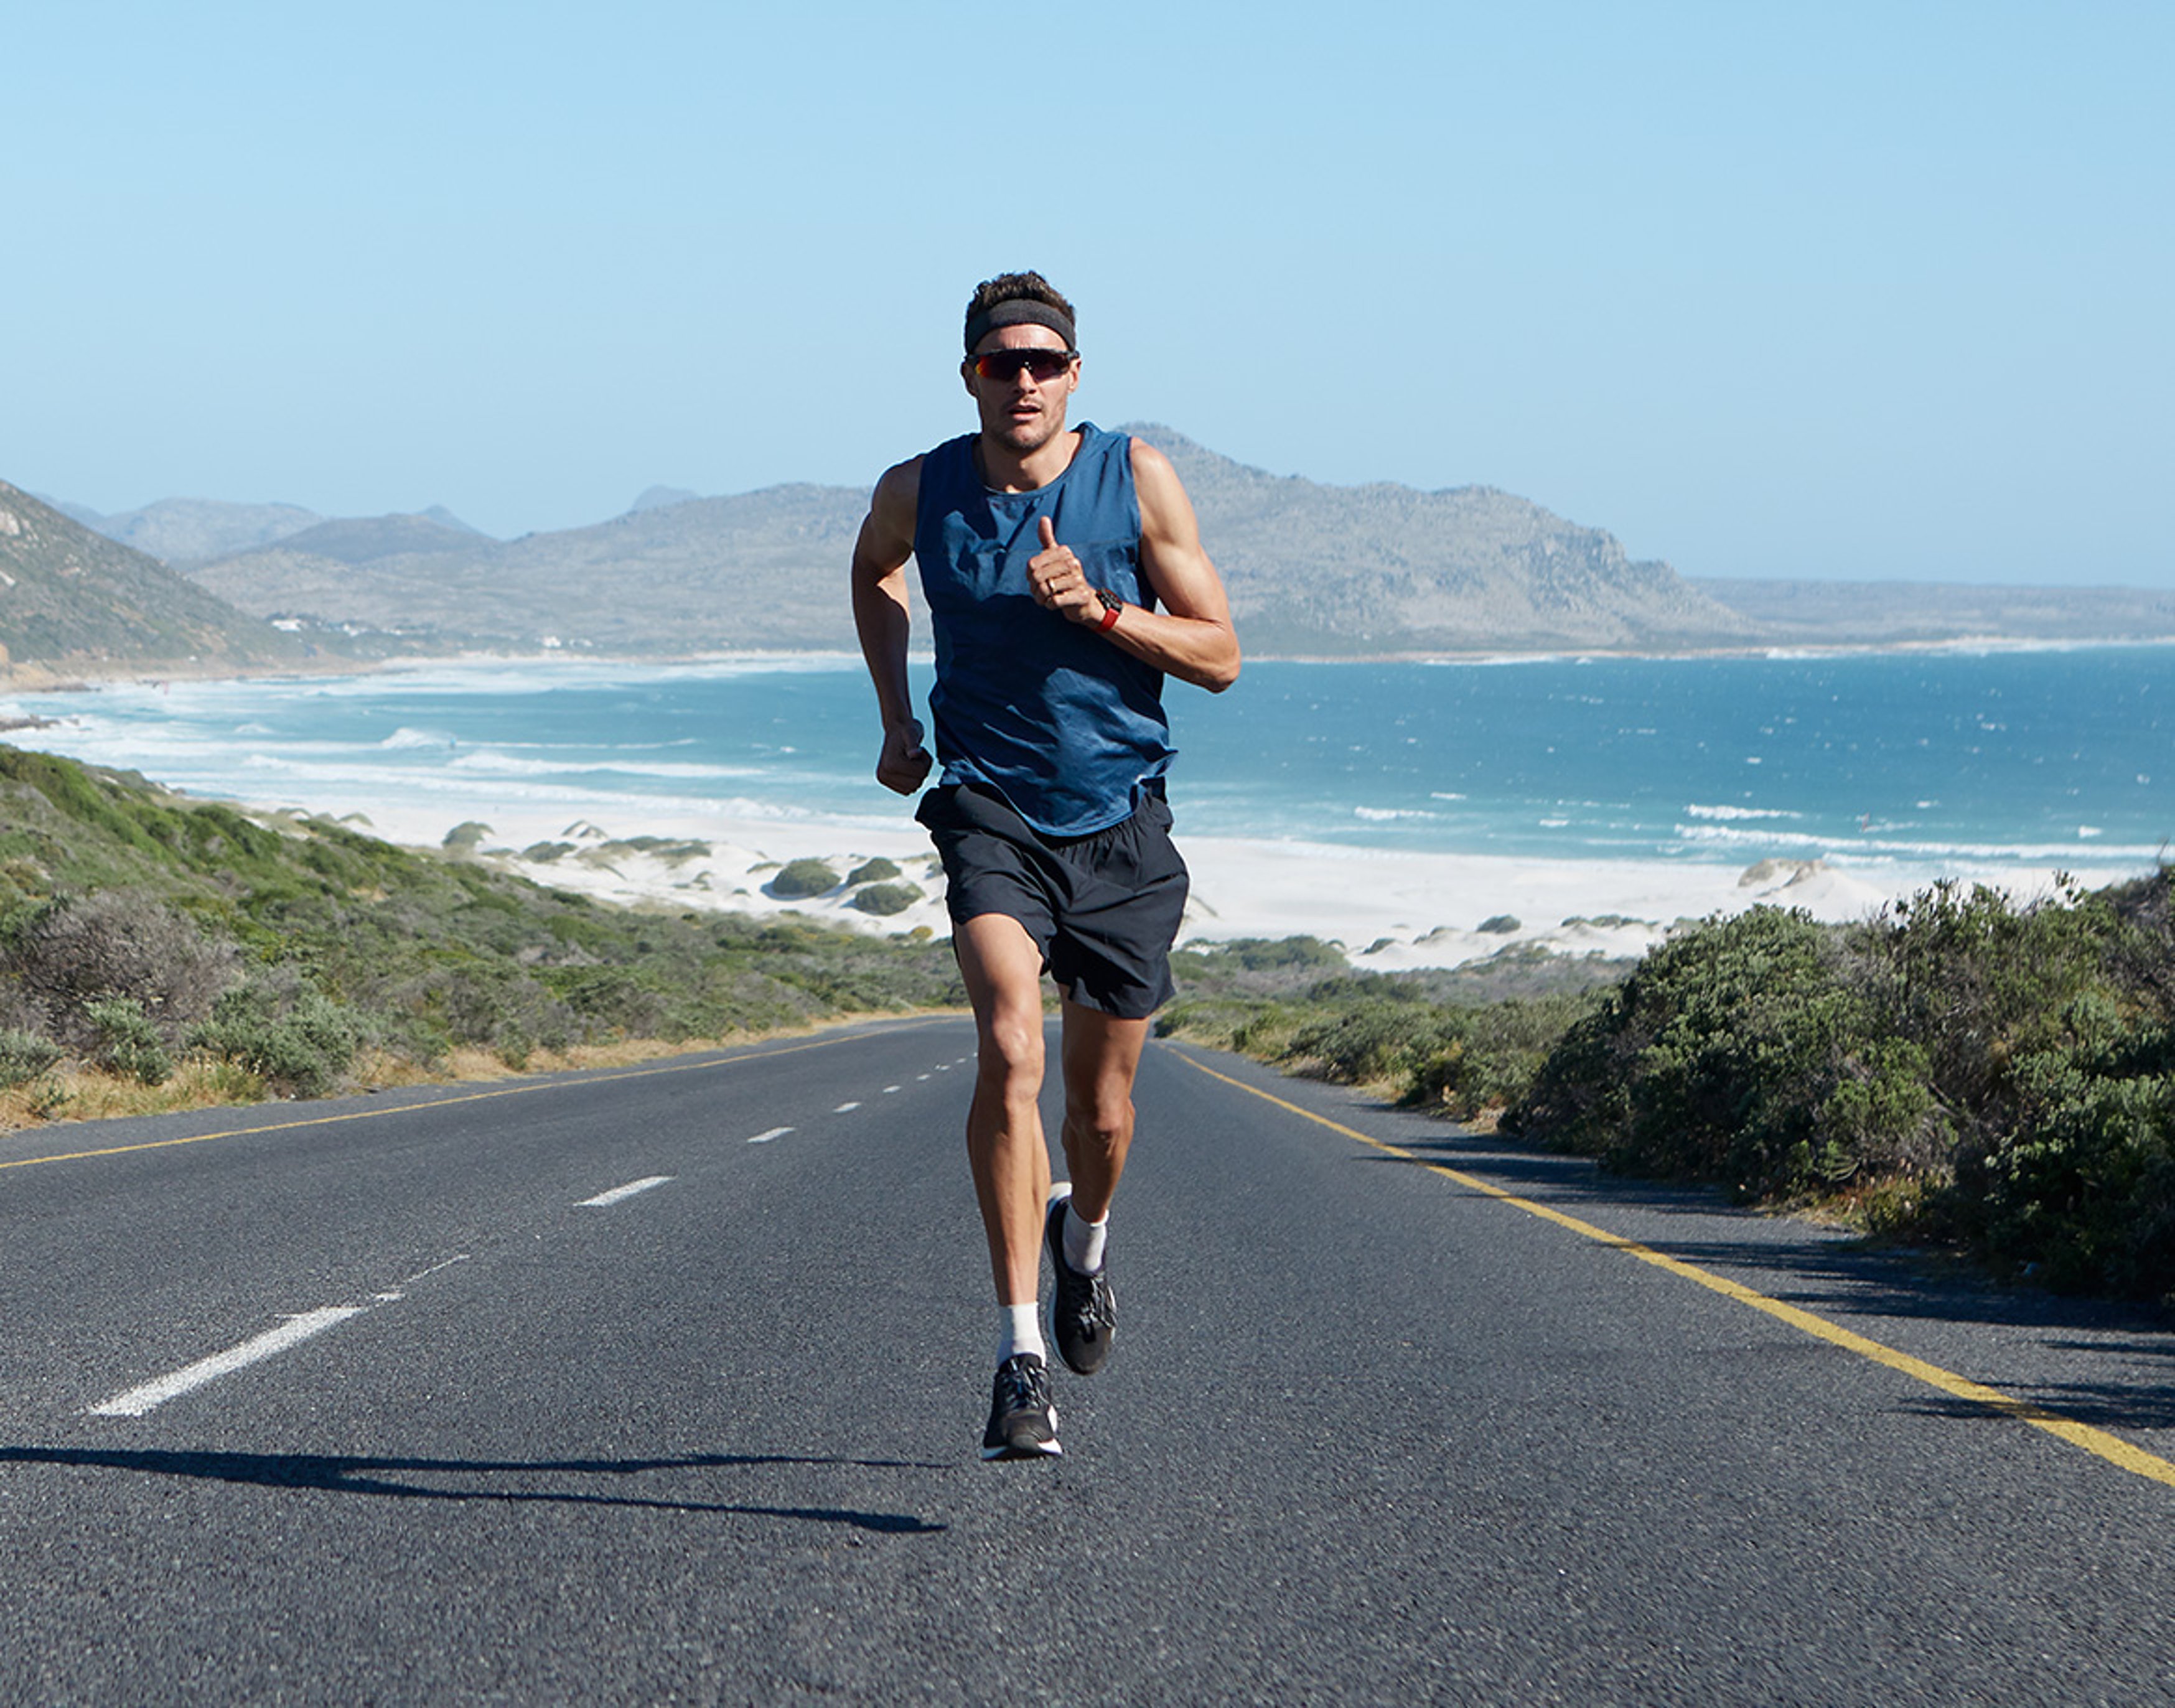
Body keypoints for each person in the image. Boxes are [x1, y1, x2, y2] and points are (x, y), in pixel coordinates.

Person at [850, 271, 1240, 1460]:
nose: (1021, 380)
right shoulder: (922, 489)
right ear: (967, 374)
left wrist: (1107, 613)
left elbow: (1221, 655)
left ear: (1075, 374)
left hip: (1120, 819)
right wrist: (894, 718)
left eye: (1043, 362)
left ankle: (1086, 1241)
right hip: (987, 807)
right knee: (1010, 1044)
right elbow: (873, 572)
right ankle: (1019, 1356)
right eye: (998, 362)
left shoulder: (1139, 478)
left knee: (1102, 1110)